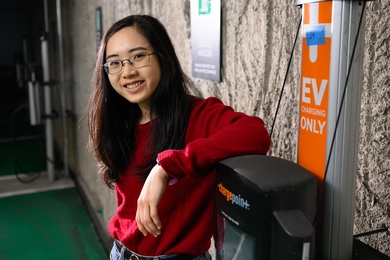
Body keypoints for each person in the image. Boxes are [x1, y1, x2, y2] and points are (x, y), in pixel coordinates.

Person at [88, 14, 271, 260]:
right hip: (120, 253)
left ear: (163, 57)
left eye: (138, 56)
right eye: (115, 63)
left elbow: (255, 133)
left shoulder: (198, 115)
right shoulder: (119, 122)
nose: (127, 71)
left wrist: (167, 167)